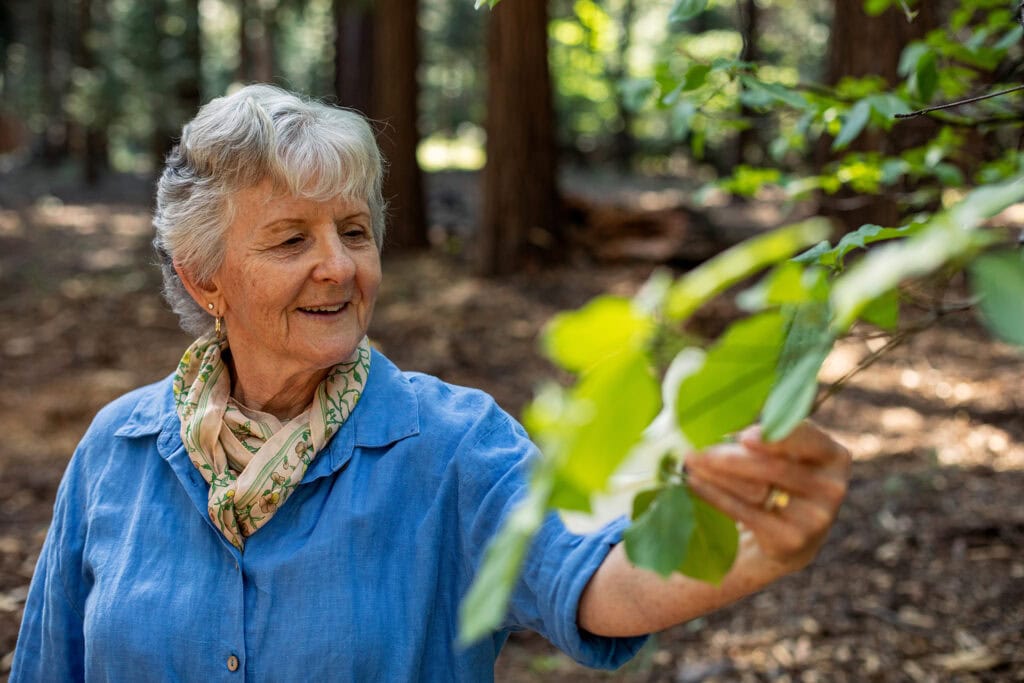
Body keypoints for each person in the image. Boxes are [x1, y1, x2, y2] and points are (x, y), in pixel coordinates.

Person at [11, 85, 850, 681]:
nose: (338, 266)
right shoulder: (115, 451)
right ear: (205, 280)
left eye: (353, 230)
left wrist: (750, 547)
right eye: (291, 240)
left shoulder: (455, 443)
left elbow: (590, 578)